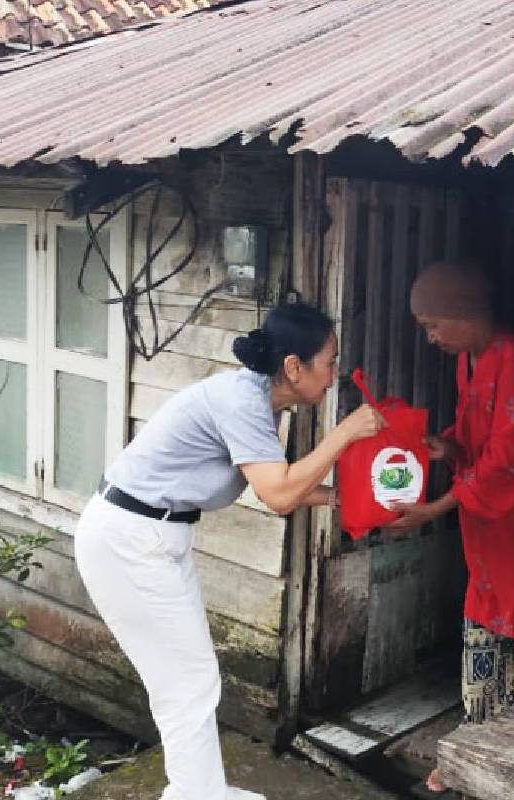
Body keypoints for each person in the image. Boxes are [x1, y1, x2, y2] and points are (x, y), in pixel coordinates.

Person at [74, 301, 385, 800]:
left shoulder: (261, 402)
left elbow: (282, 485)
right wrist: (344, 435)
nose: (334, 375)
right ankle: (197, 794)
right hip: (127, 540)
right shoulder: (241, 400)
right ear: (293, 367)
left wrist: (347, 500)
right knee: (187, 680)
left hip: (154, 537)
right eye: (328, 361)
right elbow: (279, 494)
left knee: (187, 679)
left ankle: (199, 790)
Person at [388, 261, 514, 794]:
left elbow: (508, 455)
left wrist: (434, 510)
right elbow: (472, 433)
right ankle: (475, 741)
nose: (430, 338)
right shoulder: (469, 361)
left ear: (466, 315)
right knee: (481, 622)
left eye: (433, 325)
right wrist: (446, 445)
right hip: (482, 521)